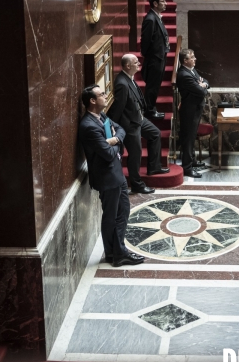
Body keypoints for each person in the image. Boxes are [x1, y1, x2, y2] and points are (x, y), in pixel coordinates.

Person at [78, 85, 145, 267]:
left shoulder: (102, 117)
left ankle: (114, 252)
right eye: (101, 95)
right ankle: (118, 253)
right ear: (92, 101)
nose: (106, 96)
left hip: (115, 174)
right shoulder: (89, 126)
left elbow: (120, 129)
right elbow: (107, 154)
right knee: (113, 215)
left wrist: (114, 139)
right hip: (108, 178)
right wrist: (115, 142)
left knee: (121, 212)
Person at [107, 54, 169, 194]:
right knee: (135, 155)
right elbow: (118, 108)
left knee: (155, 133)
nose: (139, 63)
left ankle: (154, 167)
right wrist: (114, 127)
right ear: (128, 66)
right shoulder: (122, 84)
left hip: (139, 118)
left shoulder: (129, 78)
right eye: (136, 62)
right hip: (130, 125)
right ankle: (137, 185)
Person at [176, 49, 210, 178]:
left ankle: (193, 161)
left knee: (192, 136)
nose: (195, 59)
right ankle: (187, 168)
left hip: (195, 109)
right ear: (185, 60)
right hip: (189, 111)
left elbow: (206, 81)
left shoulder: (191, 71)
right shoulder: (184, 75)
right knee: (188, 139)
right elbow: (201, 92)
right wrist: (202, 86)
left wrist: (203, 84)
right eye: (192, 57)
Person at [140, 0, 169, 120]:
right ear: (155, 3)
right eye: (163, 1)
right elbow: (145, 42)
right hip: (154, 59)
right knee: (152, 87)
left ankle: (152, 108)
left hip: (159, 57)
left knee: (155, 86)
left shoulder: (156, 16)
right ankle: (149, 111)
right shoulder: (150, 19)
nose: (166, 3)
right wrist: (151, 57)